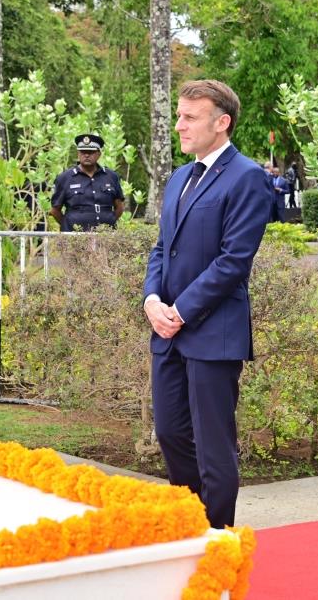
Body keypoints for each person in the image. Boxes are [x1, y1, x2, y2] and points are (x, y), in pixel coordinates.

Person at [143, 79, 272, 529]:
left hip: (213, 333)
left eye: (189, 117)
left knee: (214, 447)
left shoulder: (247, 176)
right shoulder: (180, 177)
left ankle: (217, 539)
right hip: (167, 331)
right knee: (170, 433)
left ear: (222, 123)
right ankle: (190, 527)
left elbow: (233, 260)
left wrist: (181, 312)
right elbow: (162, 248)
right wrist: (152, 300)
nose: (179, 125)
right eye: (179, 115)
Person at [50, 134, 125, 232]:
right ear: (78, 154)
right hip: (75, 236)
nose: (86, 155)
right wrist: (68, 225)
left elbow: (119, 207)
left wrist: (109, 220)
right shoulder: (65, 178)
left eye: (91, 152)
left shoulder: (111, 176)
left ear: (99, 154)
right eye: (83, 152)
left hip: (105, 236)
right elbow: (55, 210)